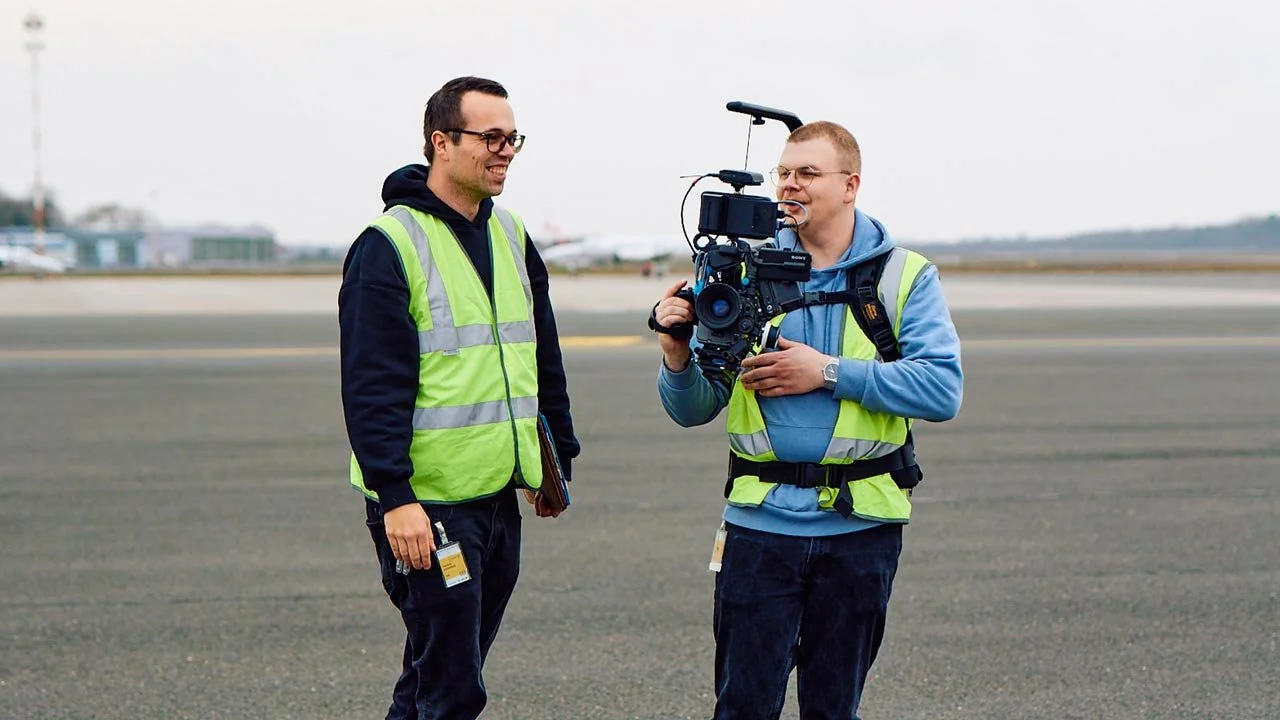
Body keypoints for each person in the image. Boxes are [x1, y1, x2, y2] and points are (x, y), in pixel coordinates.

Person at [651, 120, 963, 719]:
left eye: (808, 174)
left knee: (833, 709)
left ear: (851, 185)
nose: (790, 186)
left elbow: (942, 390)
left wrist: (825, 372)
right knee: (741, 707)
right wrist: (675, 354)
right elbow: (691, 410)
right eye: (784, 173)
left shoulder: (903, 277)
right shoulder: (734, 272)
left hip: (860, 529)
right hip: (759, 528)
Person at [339, 76, 579, 720]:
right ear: (441, 143)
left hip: (498, 492)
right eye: (489, 137)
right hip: (429, 505)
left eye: (512, 138)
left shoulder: (511, 234)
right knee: (451, 684)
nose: (504, 151)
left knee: (440, 673)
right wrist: (396, 499)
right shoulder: (388, 245)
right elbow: (370, 388)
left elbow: (540, 356)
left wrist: (555, 458)